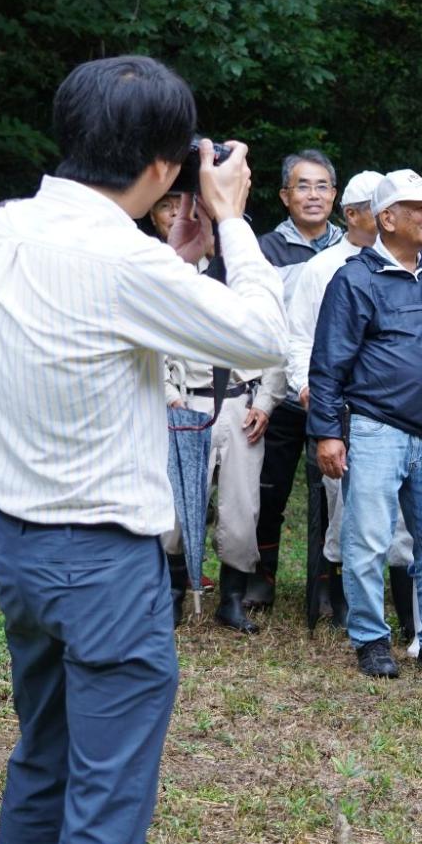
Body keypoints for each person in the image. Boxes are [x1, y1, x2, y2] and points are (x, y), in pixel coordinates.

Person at [0, 56, 285, 844]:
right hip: (103, 564)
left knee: (44, 752)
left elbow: (105, 319)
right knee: (107, 804)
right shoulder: (125, 262)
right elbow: (263, 337)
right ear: (163, 164)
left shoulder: (4, 228)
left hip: (16, 547)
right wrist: (228, 220)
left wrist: (170, 245)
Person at [311, 169, 422, 679]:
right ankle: (370, 640)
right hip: (375, 428)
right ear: (388, 218)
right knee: (368, 541)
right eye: (417, 206)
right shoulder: (354, 279)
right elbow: (328, 363)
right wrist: (326, 431)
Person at [287, 171, 416, 646]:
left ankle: (407, 615)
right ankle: (348, 606)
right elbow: (299, 339)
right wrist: (308, 390)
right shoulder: (322, 269)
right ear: (354, 214)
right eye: (375, 207)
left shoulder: (404, 265)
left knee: (404, 518)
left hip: (397, 411)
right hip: (341, 408)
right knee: (347, 511)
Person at [144, 192, 265, 634]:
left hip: (239, 404)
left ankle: (232, 599)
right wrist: (168, 393)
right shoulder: (157, 272)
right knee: (175, 510)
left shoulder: (245, 273)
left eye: (186, 208)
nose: (177, 215)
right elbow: (149, 345)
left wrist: (266, 402)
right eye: (165, 208)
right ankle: (174, 593)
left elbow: (273, 341)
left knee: (240, 510)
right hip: (183, 405)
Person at [252, 150, 346, 613]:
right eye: (303, 186)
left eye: (323, 186)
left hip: (337, 395)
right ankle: (259, 577)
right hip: (281, 393)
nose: (314, 195)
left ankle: (327, 586)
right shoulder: (265, 249)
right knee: (267, 490)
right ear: (285, 195)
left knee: (336, 493)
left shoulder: (351, 247)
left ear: (335, 193)